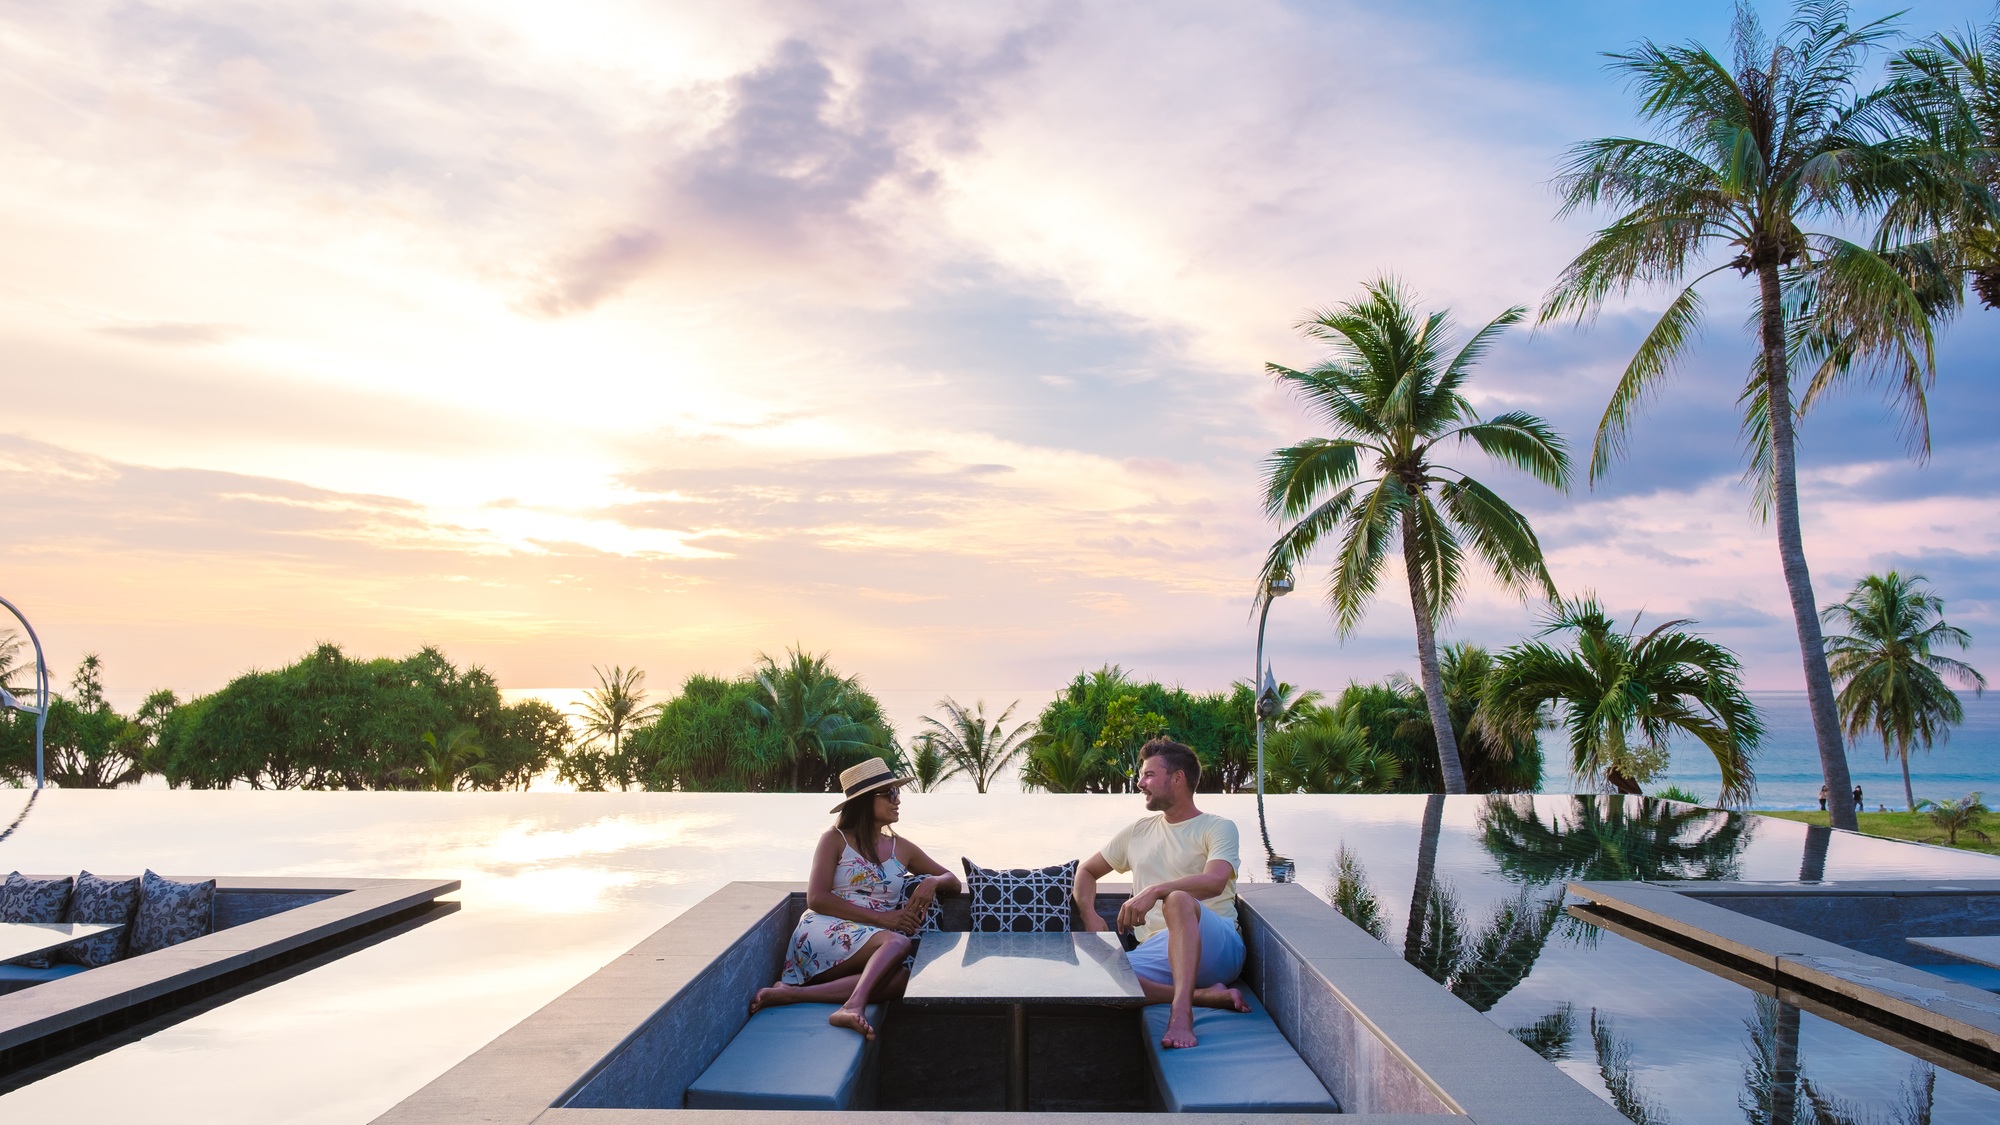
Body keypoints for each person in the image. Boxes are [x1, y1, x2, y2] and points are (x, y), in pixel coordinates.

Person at [749, 757, 960, 1039]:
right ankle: (853, 1005)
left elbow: (952, 881)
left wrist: (932, 882)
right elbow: (817, 898)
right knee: (899, 942)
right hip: (825, 928)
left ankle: (792, 994)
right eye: (890, 793)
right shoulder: (835, 839)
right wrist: (884, 919)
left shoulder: (902, 848)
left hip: (871, 941)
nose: (897, 800)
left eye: (897, 792)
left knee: (903, 979)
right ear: (864, 801)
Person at [1073, 738, 1249, 1050]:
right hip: (1159, 950)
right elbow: (1086, 871)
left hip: (1216, 944)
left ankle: (1182, 1012)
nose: (1140, 783)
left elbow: (1215, 881)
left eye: (1149, 775)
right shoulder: (1138, 831)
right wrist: (1090, 915)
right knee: (1092, 978)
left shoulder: (1217, 827)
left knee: (1177, 899)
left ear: (1178, 778)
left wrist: (1155, 891)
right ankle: (1204, 996)